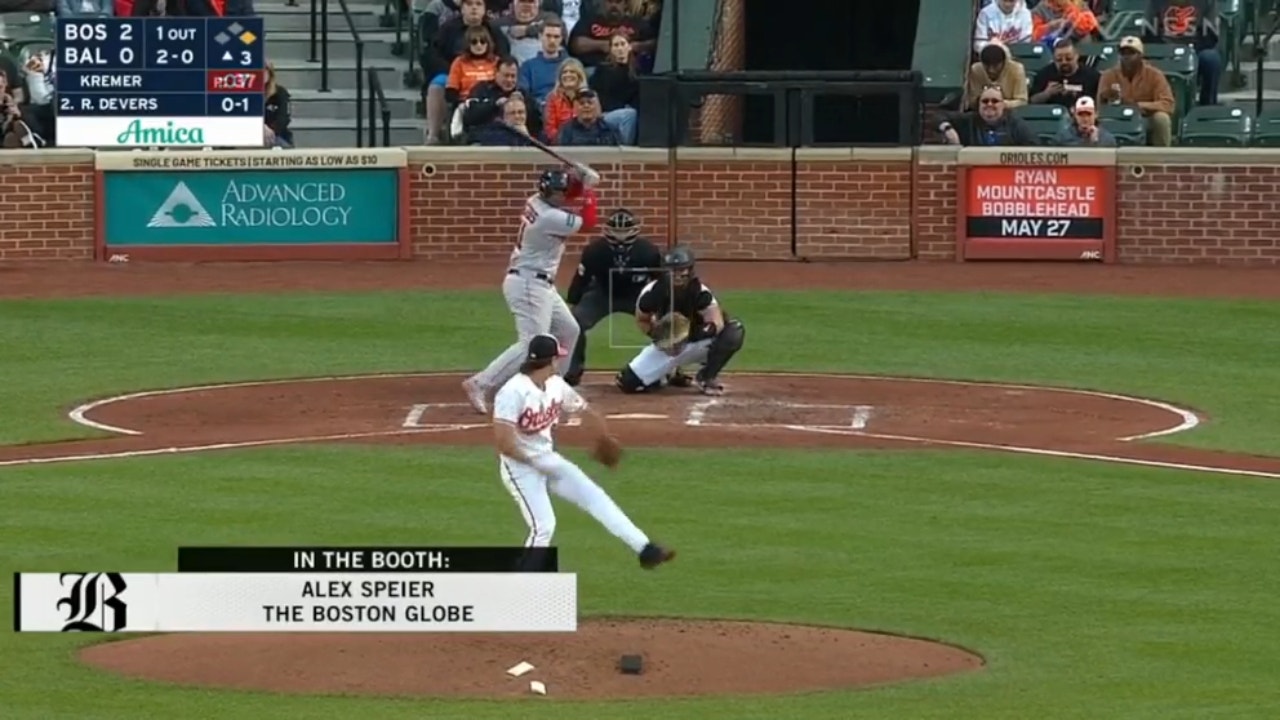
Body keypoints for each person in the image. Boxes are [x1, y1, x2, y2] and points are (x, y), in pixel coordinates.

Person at [492, 334, 676, 569]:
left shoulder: (555, 385)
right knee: (544, 526)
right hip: (520, 467)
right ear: (549, 361)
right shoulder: (512, 392)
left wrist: (602, 436)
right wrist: (536, 463)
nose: (559, 362)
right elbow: (505, 444)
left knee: (595, 496)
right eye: (557, 358)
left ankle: (645, 549)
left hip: (548, 459)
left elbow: (587, 411)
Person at [462, 166, 601, 413]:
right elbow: (589, 222)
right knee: (531, 343)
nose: (561, 197)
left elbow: (567, 196)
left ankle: (554, 386)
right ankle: (481, 383)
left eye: (563, 192)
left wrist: (579, 181)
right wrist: (588, 190)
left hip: (540, 284)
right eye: (557, 193)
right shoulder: (550, 218)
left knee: (569, 330)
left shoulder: (536, 201)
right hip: (528, 284)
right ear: (547, 192)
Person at [614, 245, 746, 396]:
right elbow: (642, 320)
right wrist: (661, 337)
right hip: (667, 346)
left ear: (689, 270)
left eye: (681, 269)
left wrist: (689, 335)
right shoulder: (652, 293)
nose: (677, 274)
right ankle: (666, 375)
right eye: (672, 270)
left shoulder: (699, 292)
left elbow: (716, 323)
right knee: (628, 383)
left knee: (733, 332)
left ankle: (706, 377)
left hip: (697, 341)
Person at [561, 208, 664, 386]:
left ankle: (669, 369)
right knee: (573, 323)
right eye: (617, 231)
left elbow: (660, 282)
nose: (620, 236)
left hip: (637, 295)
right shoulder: (594, 251)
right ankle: (572, 369)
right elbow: (581, 278)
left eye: (624, 231)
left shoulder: (649, 252)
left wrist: (662, 309)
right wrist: (573, 303)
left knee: (666, 325)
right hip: (603, 293)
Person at [1097, 36, 1174, 146]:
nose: (1126, 57)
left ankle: (1160, 158)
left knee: (1161, 118)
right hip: (1117, 117)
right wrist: (1107, 98)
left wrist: (1140, 106)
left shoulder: (1155, 75)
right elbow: (1099, 107)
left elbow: (1168, 104)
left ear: (1140, 55)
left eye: (1131, 53)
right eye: (1123, 53)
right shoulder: (1108, 75)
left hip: (1145, 118)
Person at [940, 84, 1039, 145]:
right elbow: (938, 116)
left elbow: (1034, 145)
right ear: (979, 104)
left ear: (1003, 105)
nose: (989, 104)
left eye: (995, 101)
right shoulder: (969, 120)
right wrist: (947, 129)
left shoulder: (1016, 124)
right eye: (985, 101)